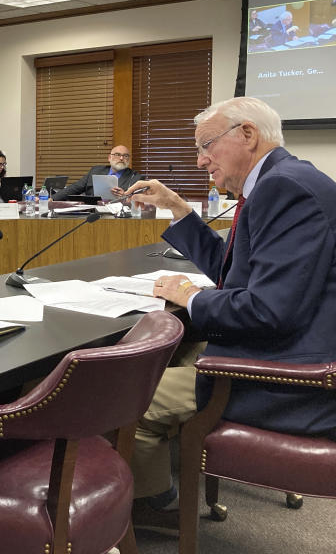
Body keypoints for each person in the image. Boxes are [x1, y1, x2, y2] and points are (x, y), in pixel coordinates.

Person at [124, 97, 336, 526]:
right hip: (289, 346)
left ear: (247, 135)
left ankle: (156, 505)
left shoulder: (283, 189)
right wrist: (180, 209)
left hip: (283, 378)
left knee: (128, 395)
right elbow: (237, 271)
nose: (201, 161)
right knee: (163, 356)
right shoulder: (287, 179)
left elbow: (267, 310)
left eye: (206, 146)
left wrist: (190, 296)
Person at [53, 145, 143, 200]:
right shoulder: (96, 170)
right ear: (109, 158)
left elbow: (139, 201)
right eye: (117, 155)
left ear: (129, 160)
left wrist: (124, 196)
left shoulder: (135, 177)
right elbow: (75, 188)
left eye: (125, 156)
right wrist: (52, 199)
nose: (121, 158)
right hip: (91, 211)